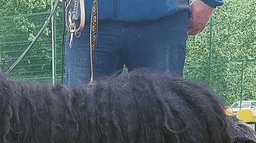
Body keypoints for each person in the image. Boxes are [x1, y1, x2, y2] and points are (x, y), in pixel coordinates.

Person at [64, 0, 223, 84]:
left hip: (163, 20)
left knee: (163, 126)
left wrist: (209, 1)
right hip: (88, 20)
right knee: (82, 126)